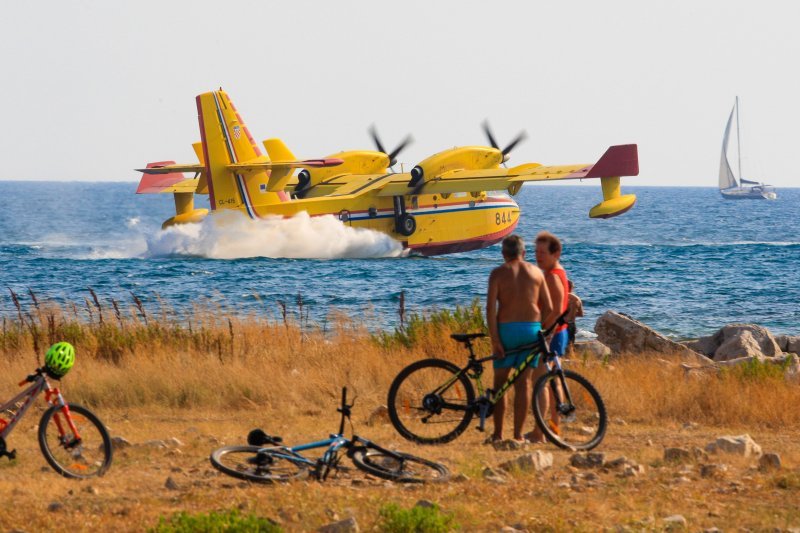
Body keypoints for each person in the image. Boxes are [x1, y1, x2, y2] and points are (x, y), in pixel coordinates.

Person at [486, 234, 552, 443]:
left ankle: (497, 435)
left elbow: (490, 309)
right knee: (523, 384)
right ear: (523, 253)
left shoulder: (497, 273)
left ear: (504, 254)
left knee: (500, 383)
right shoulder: (536, 273)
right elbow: (549, 308)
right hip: (530, 330)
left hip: (506, 330)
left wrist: (495, 339)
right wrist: (540, 329)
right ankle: (517, 436)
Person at [526, 230, 570, 443]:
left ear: (556, 254)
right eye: (536, 251)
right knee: (552, 383)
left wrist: (543, 329)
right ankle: (553, 426)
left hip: (551, 335)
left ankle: (539, 432)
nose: (538, 256)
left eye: (543, 252)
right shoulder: (556, 272)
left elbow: (555, 310)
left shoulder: (553, 276)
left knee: (541, 383)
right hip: (557, 333)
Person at [565, 280, 584, 356]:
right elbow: (581, 314)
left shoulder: (564, 297)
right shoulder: (578, 299)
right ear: (572, 288)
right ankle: (572, 359)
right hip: (572, 324)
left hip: (564, 324)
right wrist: (572, 314)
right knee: (570, 345)